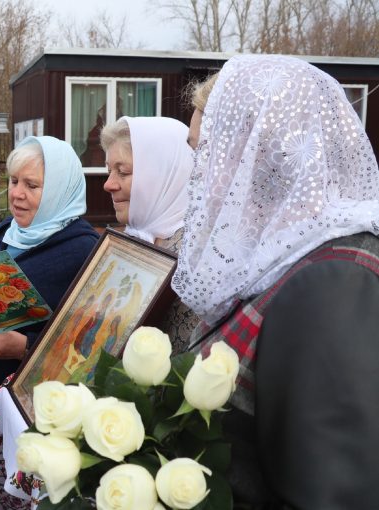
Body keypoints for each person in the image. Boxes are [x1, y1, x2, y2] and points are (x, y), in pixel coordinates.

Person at [175, 54, 379, 506]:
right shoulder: (287, 255)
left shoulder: (335, 281)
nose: (197, 175)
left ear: (260, 155)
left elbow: (335, 495)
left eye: (203, 152)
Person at [0, 136, 99, 510]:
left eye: (32, 185)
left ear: (59, 189)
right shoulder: (3, 234)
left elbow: (86, 343)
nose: (17, 194)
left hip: (35, 408)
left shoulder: (81, 251)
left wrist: (23, 347)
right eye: (13, 181)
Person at [100, 116, 199, 351]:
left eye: (122, 172)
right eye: (109, 171)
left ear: (163, 174)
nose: (108, 184)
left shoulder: (196, 253)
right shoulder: (133, 236)